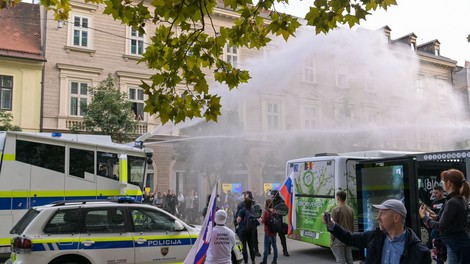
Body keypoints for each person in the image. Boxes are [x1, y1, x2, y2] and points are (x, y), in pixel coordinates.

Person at [323, 199, 431, 264]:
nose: (377, 218)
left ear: (396, 218)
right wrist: (332, 225)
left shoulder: (420, 252)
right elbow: (349, 238)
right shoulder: (374, 237)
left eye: (382, 214)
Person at [419, 169, 470, 264]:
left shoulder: (452, 202)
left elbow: (441, 227)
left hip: (454, 244)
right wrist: (437, 217)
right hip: (460, 242)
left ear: (449, 183)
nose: (442, 184)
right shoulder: (461, 199)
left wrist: (424, 217)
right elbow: (454, 220)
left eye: (443, 181)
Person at [329, 190, 354, 264]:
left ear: (338, 198)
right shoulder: (351, 210)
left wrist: (332, 239)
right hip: (349, 236)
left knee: (340, 259)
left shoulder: (335, 209)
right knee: (349, 258)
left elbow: (332, 226)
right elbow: (352, 225)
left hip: (339, 238)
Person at [236, 191, 261, 257]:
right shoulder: (241, 204)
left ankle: (255, 251)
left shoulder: (254, 203)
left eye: (245, 194)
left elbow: (257, 213)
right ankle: (253, 253)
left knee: (253, 239)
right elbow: (237, 214)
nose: (244, 195)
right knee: (249, 240)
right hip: (247, 225)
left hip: (249, 225)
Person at [237, 198, 257, 264]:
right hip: (251, 231)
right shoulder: (252, 210)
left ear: (244, 203)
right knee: (251, 246)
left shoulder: (242, 210)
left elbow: (238, 220)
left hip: (243, 231)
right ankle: (253, 260)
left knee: (244, 247)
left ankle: (246, 261)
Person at [429, 185, 447, 264]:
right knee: (437, 253)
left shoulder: (446, 201)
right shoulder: (433, 203)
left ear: (441, 192)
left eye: (436, 193)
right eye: (433, 193)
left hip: (444, 228)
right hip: (435, 229)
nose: (434, 195)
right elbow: (432, 214)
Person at [270, 190, 289, 257]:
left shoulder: (281, 202)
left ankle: (285, 250)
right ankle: (269, 249)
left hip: (279, 221)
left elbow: (284, 211)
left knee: (282, 237)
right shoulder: (271, 201)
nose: (272, 196)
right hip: (273, 221)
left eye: (272, 194)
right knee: (271, 235)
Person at [259, 198, 278, 264]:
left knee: (266, 247)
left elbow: (264, 221)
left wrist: (260, 219)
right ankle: (275, 260)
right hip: (274, 231)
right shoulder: (274, 211)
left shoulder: (266, 212)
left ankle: (264, 261)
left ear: (266, 204)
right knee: (274, 245)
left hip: (268, 231)